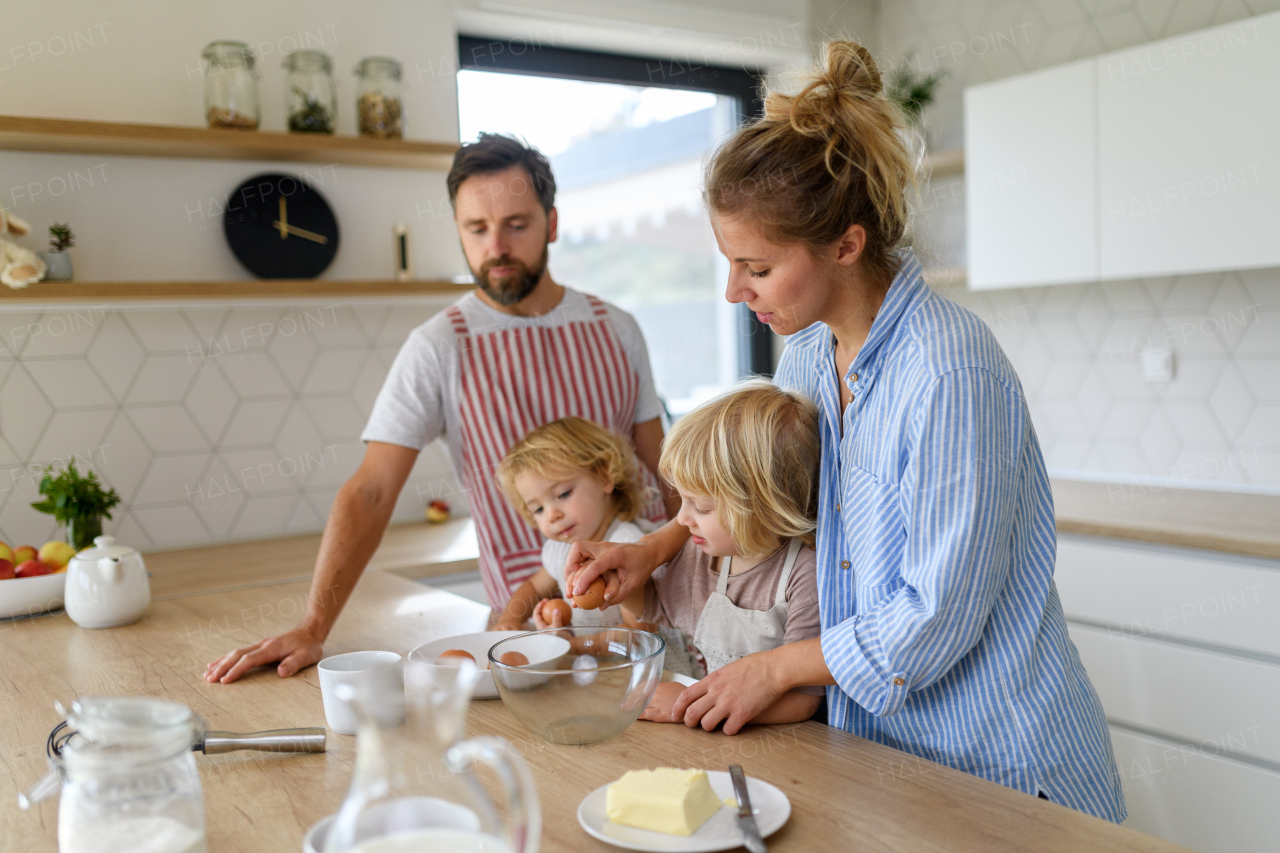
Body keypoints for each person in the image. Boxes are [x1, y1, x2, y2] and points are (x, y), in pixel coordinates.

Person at [565, 41, 1126, 821]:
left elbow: (935, 616)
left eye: (756, 268)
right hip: (884, 758)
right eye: (730, 264)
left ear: (847, 244)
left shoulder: (949, 373)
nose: (734, 291)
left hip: (1001, 764)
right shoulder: (805, 360)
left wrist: (774, 670)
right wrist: (648, 551)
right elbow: (755, 499)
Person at [205, 133, 678, 685]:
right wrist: (313, 627)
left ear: (551, 223)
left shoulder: (616, 329)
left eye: (516, 225)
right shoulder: (439, 346)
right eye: (476, 229)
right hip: (524, 636)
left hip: (648, 623)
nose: (495, 246)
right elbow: (372, 491)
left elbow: (666, 473)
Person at [602, 381, 824, 725]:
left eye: (701, 507)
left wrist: (689, 706)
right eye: (683, 500)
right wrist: (616, 584)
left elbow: (802, 702)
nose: (681, 519)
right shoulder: (702, 553)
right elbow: (653, 606)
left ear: (765, 506)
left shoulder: (802, 575)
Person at [492, 416, 652, 631]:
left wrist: (574, 645)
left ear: (604, 477)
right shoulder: (561, 550)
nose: (552, 515)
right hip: (593, 662)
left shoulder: (626, 545)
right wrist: (508, 621)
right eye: (538, 509)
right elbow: (532, 588)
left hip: (642, 664)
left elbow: (639, 634)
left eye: (563, 494)